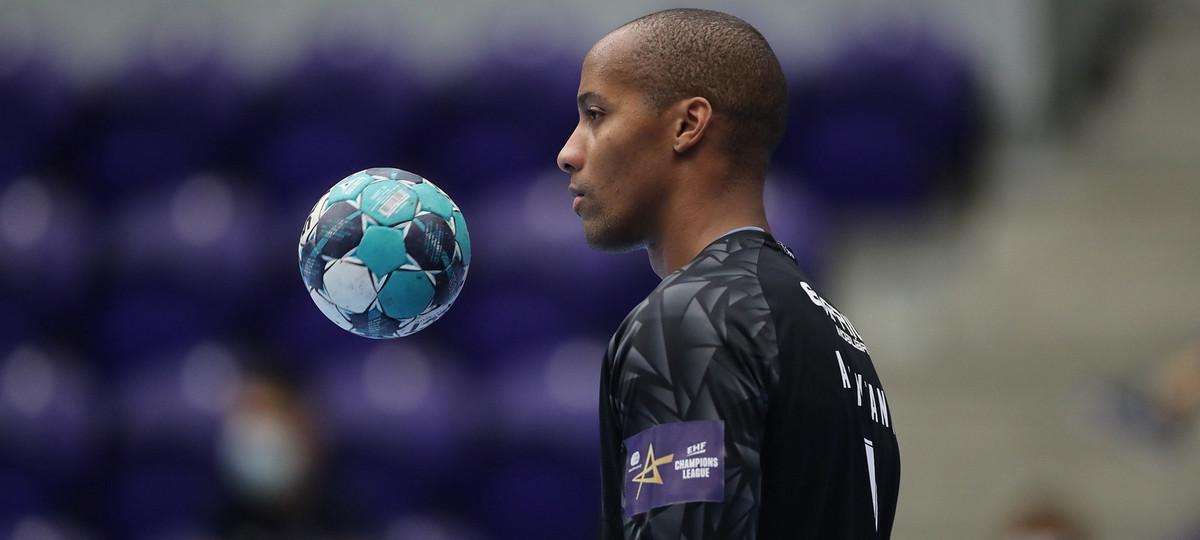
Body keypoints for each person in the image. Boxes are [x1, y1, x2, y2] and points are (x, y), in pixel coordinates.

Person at [556, 8, 900, 539]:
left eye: (596, 114)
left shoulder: (692, 320)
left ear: (687, 125)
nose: (569, 152)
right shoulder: (836, 337)